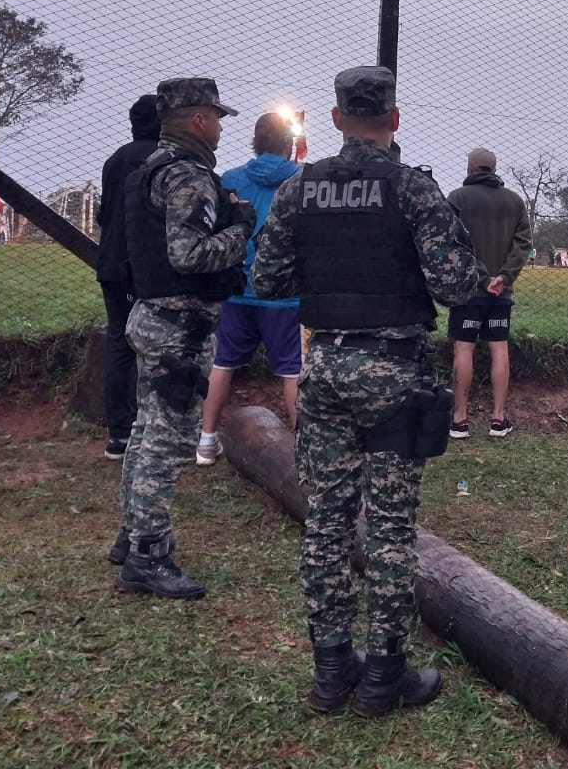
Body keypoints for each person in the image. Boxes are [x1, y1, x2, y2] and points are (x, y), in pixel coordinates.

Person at [252, 66, 478, 718]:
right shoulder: (413, 189)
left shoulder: (301, 189)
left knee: (324, 524)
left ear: (334, 118)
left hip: (322, 367)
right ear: (394, 118)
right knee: (389, 529)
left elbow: (266, 281)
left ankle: (330, 674)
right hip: (395, 371)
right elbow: (456, 283)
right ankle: (384, 677)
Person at [110, 78, 255, 598]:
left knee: (147, 432)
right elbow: (190, 257)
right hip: (179, 331)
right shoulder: (189, 178)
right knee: (167, 444)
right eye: (216, 118)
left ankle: (133, 535)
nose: (219, 128)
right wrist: (241, 228)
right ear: (198, 120)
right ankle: (149, 555)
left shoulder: (147, 169)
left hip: (152, 317)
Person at [196, 113, 303, 465]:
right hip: (285, 294)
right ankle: (305, 449)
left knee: (223, 363)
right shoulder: (304, 180)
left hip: (238, 288)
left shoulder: (231, 179)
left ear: (255, 142)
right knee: (292, 371)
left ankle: (206, 443)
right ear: (289, 144)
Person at [446, 147, 532, 436]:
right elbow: (523, 245)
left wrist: (482, 278)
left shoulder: (457, 198)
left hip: (468, 291)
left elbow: (456, 244)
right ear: (493, 170)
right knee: (499, 348)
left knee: (464, 348)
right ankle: (498, 419)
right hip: (501, 295)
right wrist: (503, 279)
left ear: (470, 169)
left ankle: (459, 419)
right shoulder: (514, 202)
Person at [95, 95, 161, 461]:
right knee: (152, 345)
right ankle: (146, 428)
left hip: (110, 265)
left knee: (119, 343)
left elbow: (105, 214)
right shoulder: (162, 160)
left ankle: (119, 433)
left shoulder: (114, 159)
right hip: (143, 267)